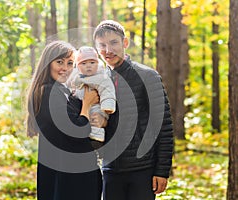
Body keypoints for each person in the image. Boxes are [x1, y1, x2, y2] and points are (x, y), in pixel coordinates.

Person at [93, 20, 174, 200]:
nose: (108, 50)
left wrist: (162, 170)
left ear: (125, 43)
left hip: (142, 170)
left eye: (114, 43)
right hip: (110, 170)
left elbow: (164, 127)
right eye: (102, 45)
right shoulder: (97, 82)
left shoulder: (148, 76)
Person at [25, 40, 103, 200]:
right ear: (48, 63)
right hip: (67, 180)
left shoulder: (63, 91)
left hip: (75, 176)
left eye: (70, 63)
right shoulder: (48, 92)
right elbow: (77, 130)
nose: (65, 68)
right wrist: (87, 104)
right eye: (59, 62)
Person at [68, 46, 116, 148]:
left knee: (95, 118)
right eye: (83, 63)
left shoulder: (101, 77)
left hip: (97, 105)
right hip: (81, 106)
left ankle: (96, 138)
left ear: (97, 63)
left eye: (92, 62)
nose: (88, 66)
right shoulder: (76, 76)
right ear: (78, 65)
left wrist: (108, 105)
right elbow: (70, 86)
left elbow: (107, 90)